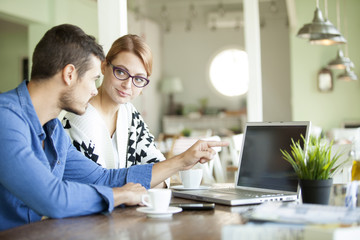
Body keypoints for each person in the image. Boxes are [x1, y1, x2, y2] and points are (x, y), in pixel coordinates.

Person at [0, 24, 228, 231]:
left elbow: (101, 178)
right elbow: (53, 198)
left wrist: (181, 161)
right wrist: (119, 195)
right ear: (69, 74)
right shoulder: (5, 120)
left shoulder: (53, 131)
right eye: (93, 79)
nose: (93, 90)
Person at [61, 35, 167, 188]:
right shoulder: (78, 118)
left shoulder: (130, 114)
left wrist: (148, 179)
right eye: (121, 72)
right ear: (104, 66)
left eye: (138, 79)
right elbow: (102, 186)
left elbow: (160, 170)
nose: (127, 85)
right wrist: (146, 178)